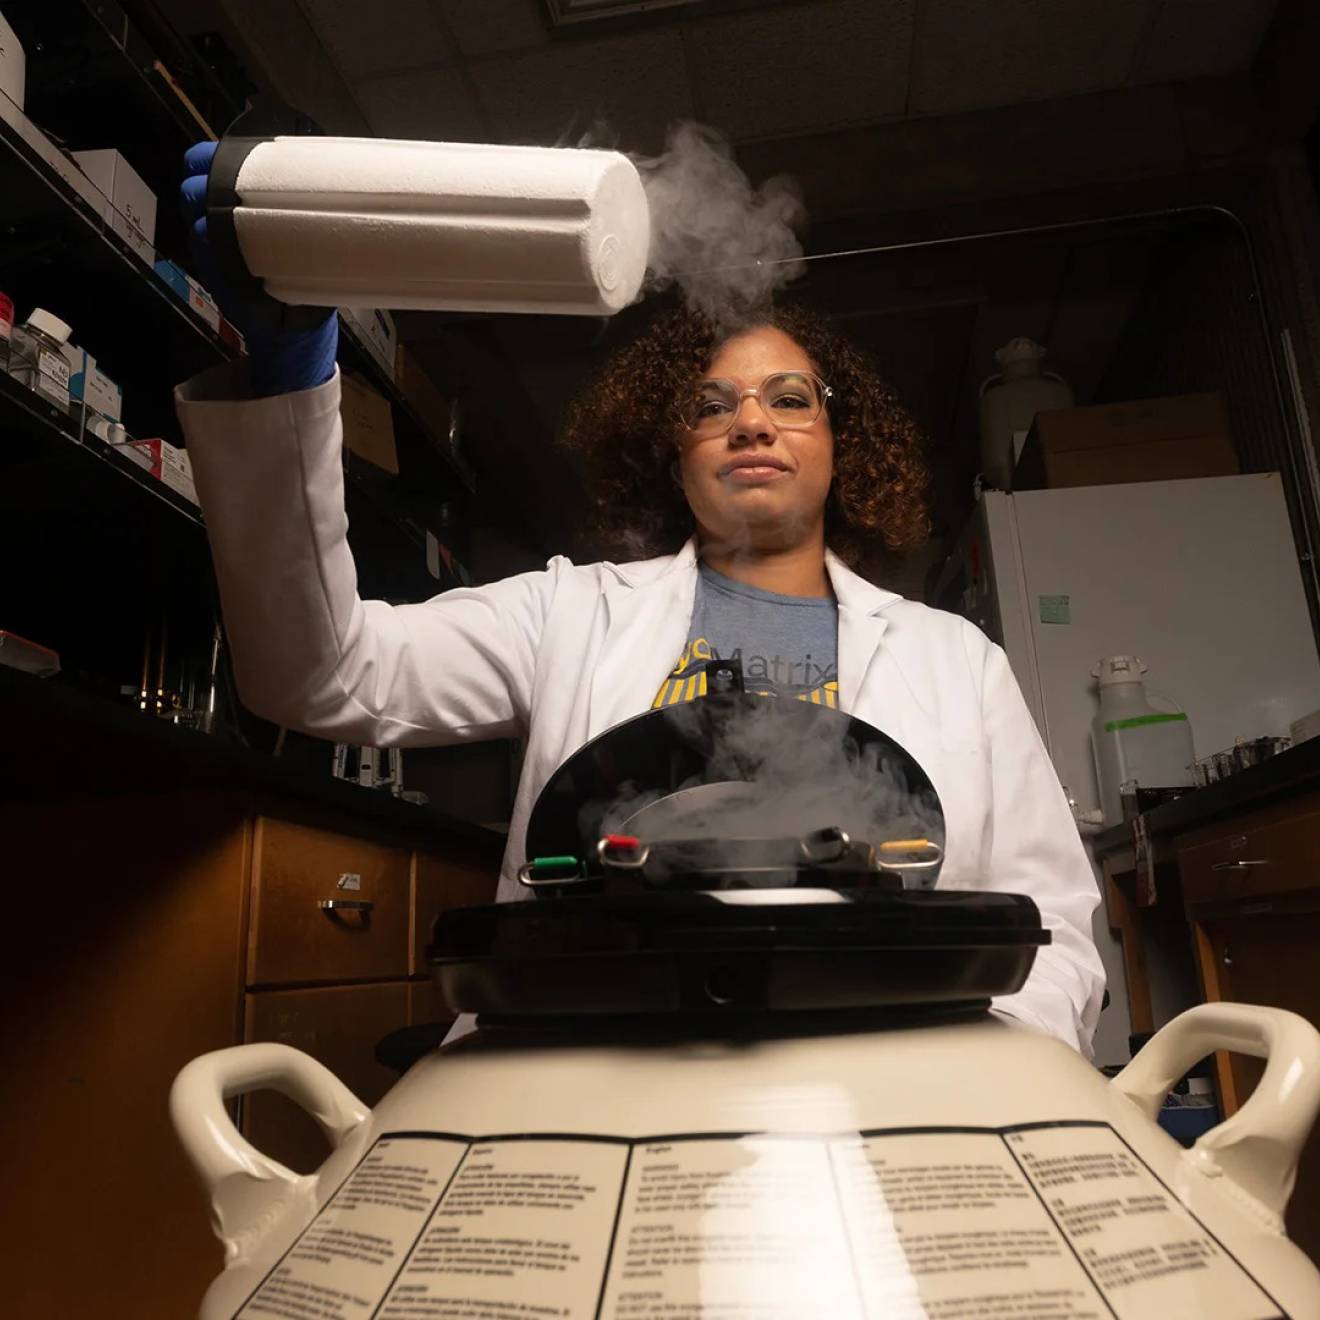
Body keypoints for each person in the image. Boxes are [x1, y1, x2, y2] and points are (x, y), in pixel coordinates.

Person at [176, 144, 1106, 1055]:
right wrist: (284, 384)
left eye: (790, 399)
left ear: (839, 445)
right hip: (597, 1056)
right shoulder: (570, 615)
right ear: (674, 456)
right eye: (711, 404)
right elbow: (319, 675)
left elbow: (1053, 918)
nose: (750, 420)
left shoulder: (955, 659)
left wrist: (989, 1077)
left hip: (899, 1071)